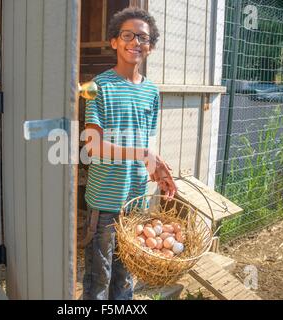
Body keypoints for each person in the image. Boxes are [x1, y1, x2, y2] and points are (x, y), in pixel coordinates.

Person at [82, 7, 177, 300]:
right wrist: (142, 153)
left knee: (125, 281)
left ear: (150, 47)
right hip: (104, 203)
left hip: (134, 203)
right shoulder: (98, 87)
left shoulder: (151, 92)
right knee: (99, 279)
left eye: (143, 38)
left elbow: (145, 145)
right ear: (114, 41)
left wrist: (158, 170)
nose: (135, 41)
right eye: (127, 35)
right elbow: (93, 147)